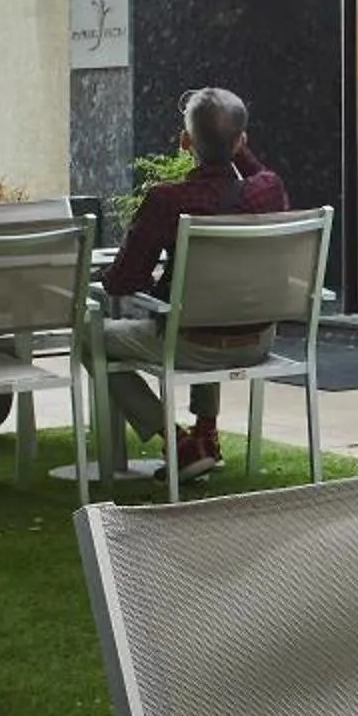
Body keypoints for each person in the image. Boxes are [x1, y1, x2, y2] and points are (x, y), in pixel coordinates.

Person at [99, 87, 288, 477]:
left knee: (89, 339)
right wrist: (236, 145)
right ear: (242, 141)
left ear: (186, 142)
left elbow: (121, 282)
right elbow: (257, 172)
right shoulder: (268, 191)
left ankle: (178, 442)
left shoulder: (167, 200)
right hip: (259, 340)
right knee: (211, 299)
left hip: (192, 345)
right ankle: (207, 435)